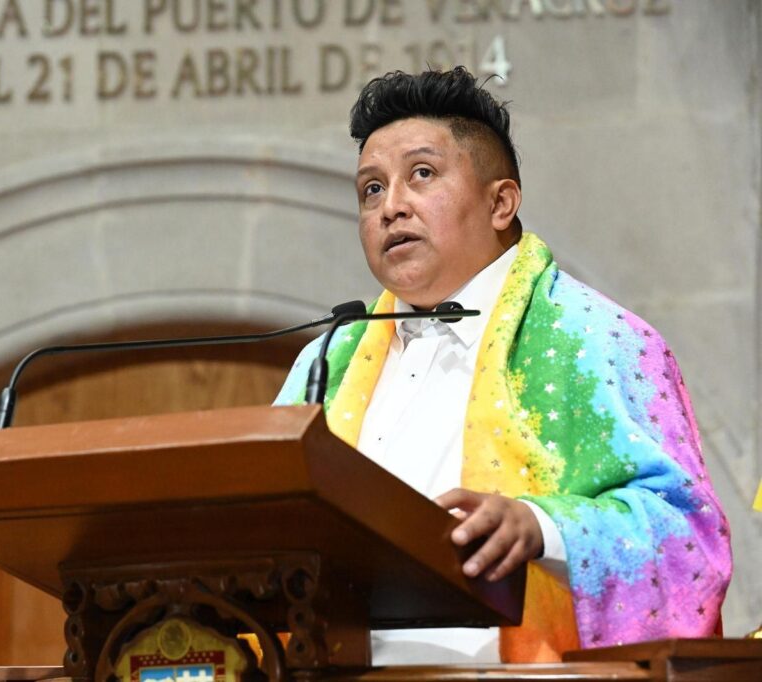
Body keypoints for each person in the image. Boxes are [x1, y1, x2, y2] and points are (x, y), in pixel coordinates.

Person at [274, 67, 731, 664]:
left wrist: (541, 528)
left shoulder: (593, 337)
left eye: (422, 174)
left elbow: (690, 539)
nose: (391, 207)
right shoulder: (328, 360)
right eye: (372, 189)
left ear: (501, 202)